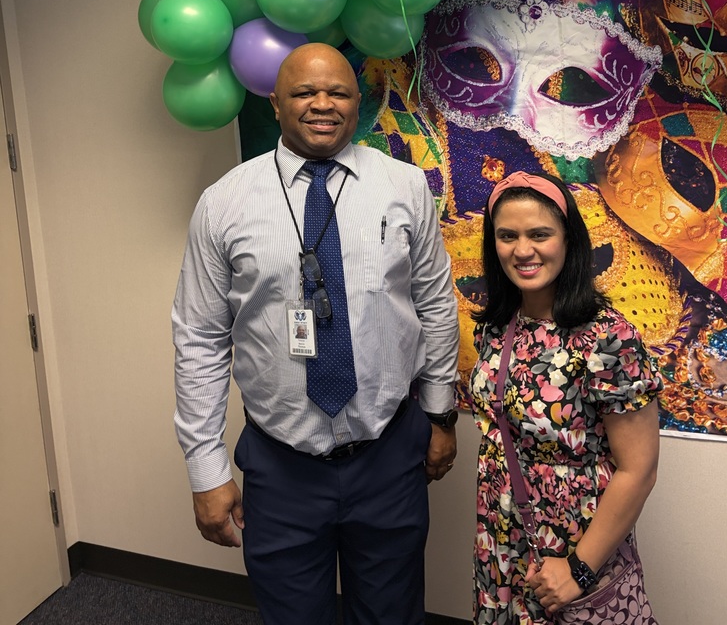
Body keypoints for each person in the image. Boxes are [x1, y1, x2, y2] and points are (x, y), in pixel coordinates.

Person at [172, 42, 460, 625]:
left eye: (338, 93)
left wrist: (440, 416)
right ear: (275, 103)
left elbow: (434, 305)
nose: (322, 104)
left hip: (389, 457)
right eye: (304, 92)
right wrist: (206, 468)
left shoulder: (404, 187)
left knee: (392, 615)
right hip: (281, 467)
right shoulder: (224, 203)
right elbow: (199, 337)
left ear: (358, 102)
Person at [470, 171, 662, 624]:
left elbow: (639, 469)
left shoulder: (607, 337)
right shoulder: (497, 326)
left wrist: (579, 568)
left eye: (540, 234)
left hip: (575, 547)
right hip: (501, 539)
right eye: (507, 236)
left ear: (568, 240)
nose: (523, 250)